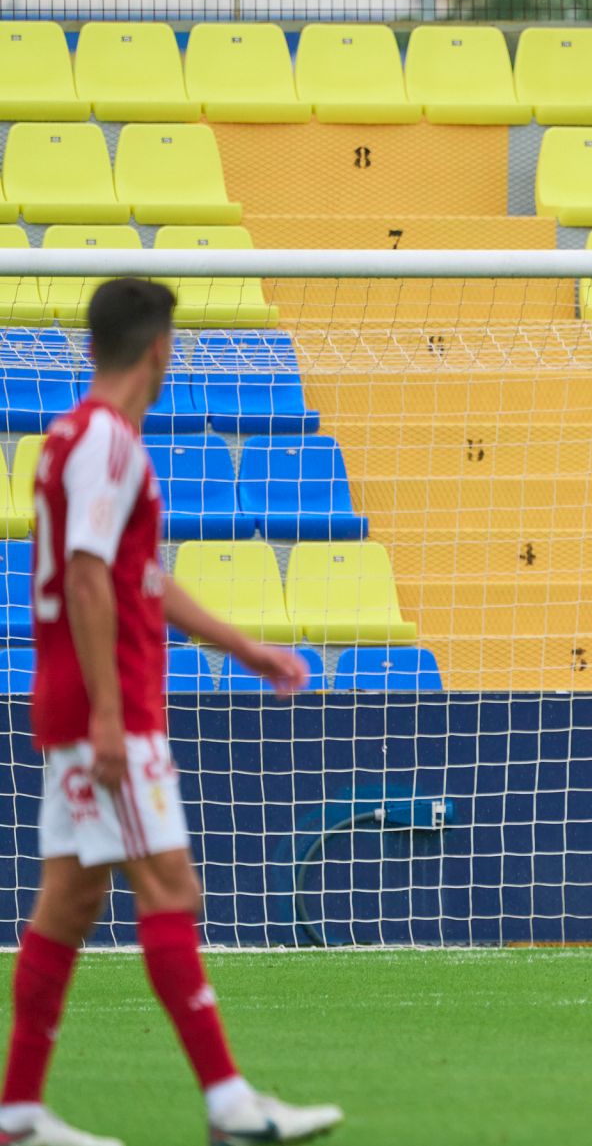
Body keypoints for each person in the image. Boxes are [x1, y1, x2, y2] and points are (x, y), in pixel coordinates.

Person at [2, 278, 343, 1146]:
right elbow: (85, 575)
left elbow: (135, 579)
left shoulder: (72, 440)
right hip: (105, 709)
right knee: (170, 888)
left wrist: (247, 648)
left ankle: (18, 1111)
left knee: (68, 906)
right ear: (161, 347)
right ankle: (230, 1105)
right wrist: (111, 716)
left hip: (80, 703)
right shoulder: (110, 444)